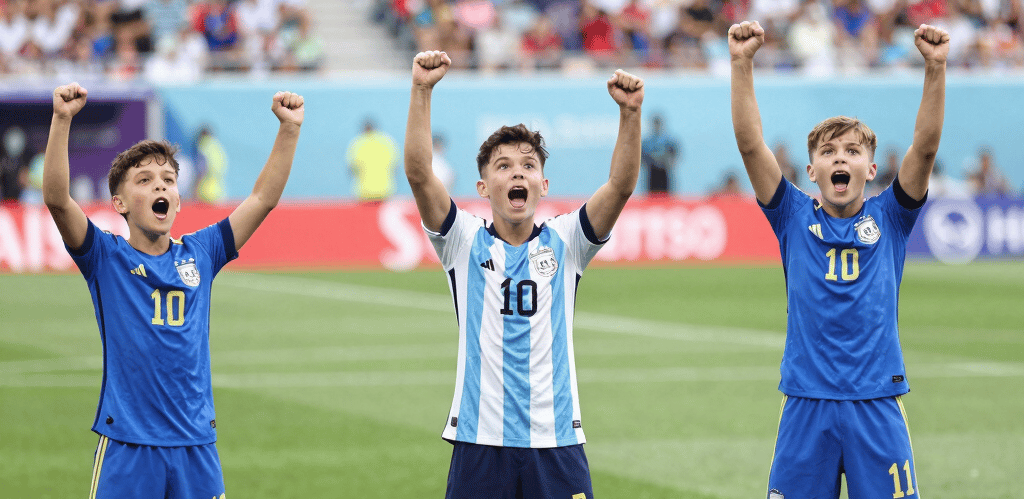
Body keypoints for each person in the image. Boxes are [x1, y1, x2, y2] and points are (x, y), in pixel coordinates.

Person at [42, 82, 304, 499]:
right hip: (128, 445)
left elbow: (262, 198)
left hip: (196, 445)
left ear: (178, 201)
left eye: (168, 180)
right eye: (144, 180)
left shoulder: (202, 252)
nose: (160, 187)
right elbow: (58, 200)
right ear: (119, 203)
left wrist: (289, 129)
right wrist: (61, 119)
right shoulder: (105, 257)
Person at [404, 50, 643, 499]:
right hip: (480, 441)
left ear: (543, 185)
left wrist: (630, 114)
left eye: (529, 166)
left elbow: (621, 186)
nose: (518, 172)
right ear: (483, 187)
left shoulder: (568, 241)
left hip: (556, 440)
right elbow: (419, 174)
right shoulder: (462, 241)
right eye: (504, 166)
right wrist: (421, 89)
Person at [729, 20, 948, 499]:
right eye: (828, 152)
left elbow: (926, 146)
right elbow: (750, 144)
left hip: (877, 400)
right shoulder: (791, 215)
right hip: (807, 402)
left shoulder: (892, 216)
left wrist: (935, 68)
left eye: (852, 151)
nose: (840, 159)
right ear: (812, 171)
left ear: (872, 168)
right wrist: (742, 63)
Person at [347, 118, 398, 202]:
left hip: (364, 193)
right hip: (385, 192)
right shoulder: (387, 142)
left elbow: (351, 169)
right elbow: (395, 167)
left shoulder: (357, 144)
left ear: (363, 130)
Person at [641, 113, 680, 196]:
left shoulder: (668, 140)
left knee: (665, 194)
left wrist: (670, 162)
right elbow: (642, 156)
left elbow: (674, 153)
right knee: (651, 195)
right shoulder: (647, 141)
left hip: (664, 170)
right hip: (652, 171)